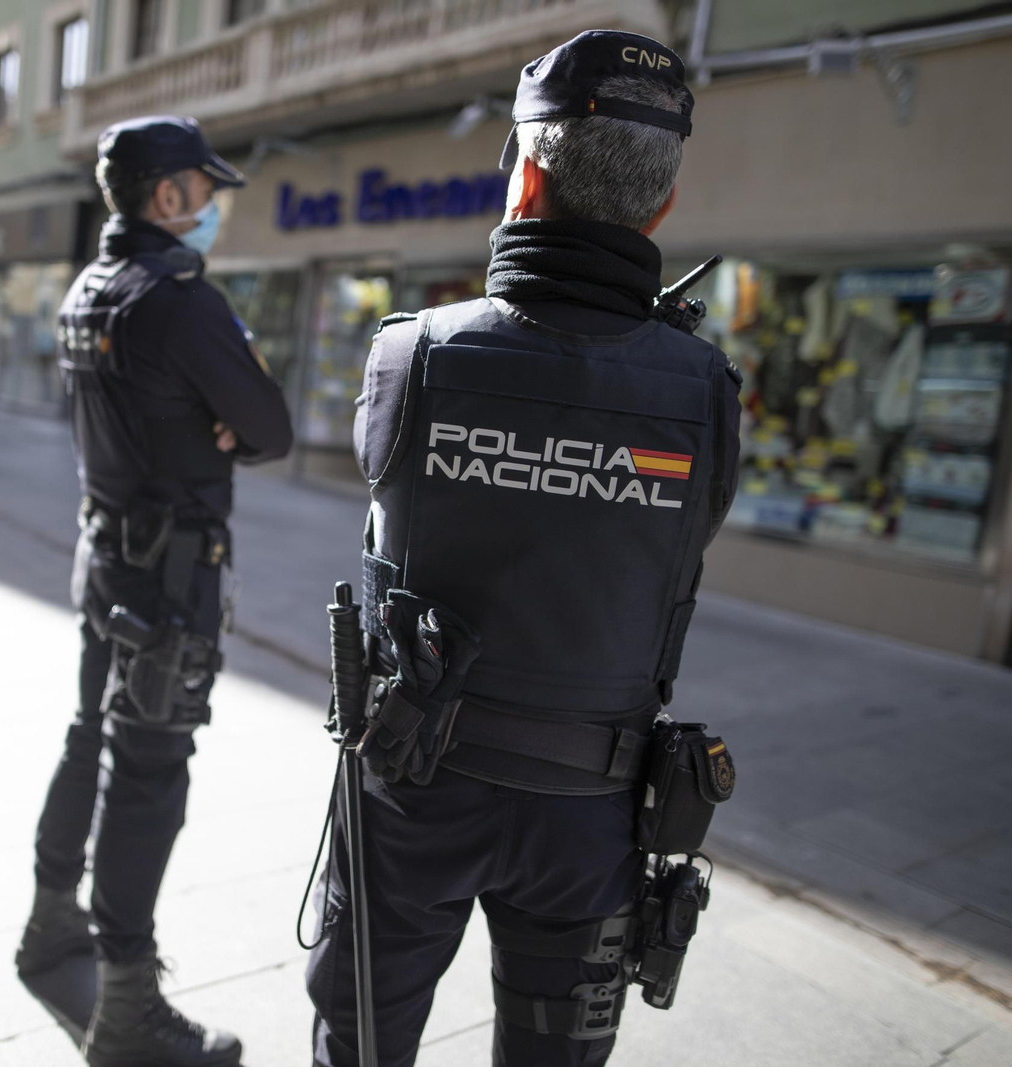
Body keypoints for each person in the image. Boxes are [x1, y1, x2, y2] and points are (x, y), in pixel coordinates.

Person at [306, 30, 743, 1067]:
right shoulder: (707, 392)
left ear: (525, 177)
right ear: (660, 208)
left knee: (359, 1044)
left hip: (412, 789)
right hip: (592, 815)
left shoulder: (410, 352)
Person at [15, 115, 293, 1067]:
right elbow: (269, 427)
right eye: (206, 193)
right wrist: (226, 421)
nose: (213, 209)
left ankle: (51, 920)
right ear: (169, 195)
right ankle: (128, 1004)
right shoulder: (180, 302)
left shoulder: (88, 290)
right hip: (170, 578)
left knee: (88, 733)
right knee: (147, 774)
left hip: (105, 553)